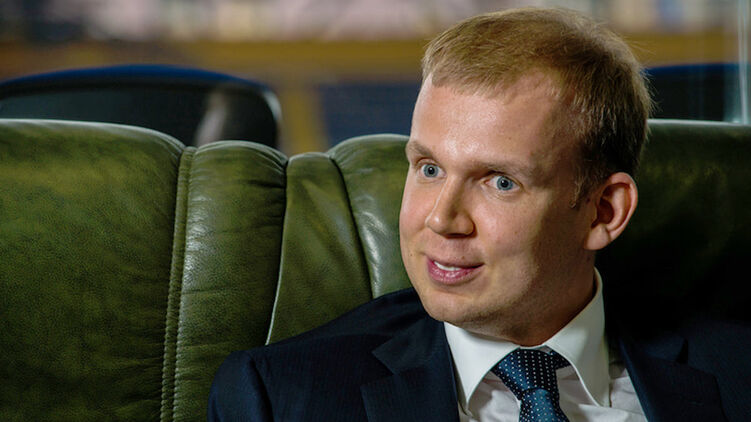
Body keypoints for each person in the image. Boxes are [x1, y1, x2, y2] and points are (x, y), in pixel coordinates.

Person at [208, 7, 751, 421]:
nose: (442, 220)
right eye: (429, 169)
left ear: (603, 212)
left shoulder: (738, 375)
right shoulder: (281, 397)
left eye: (500, 182)